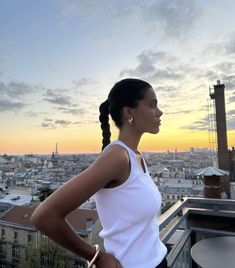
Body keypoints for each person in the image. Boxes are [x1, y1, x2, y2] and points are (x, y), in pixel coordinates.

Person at [30, 78, 167, 268]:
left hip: (158, 260)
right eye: (152, 105)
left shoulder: (136, 156)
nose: (159, 112)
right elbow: (44, 216)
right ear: (129, 112)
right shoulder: (117, 157)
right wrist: (98, 257)